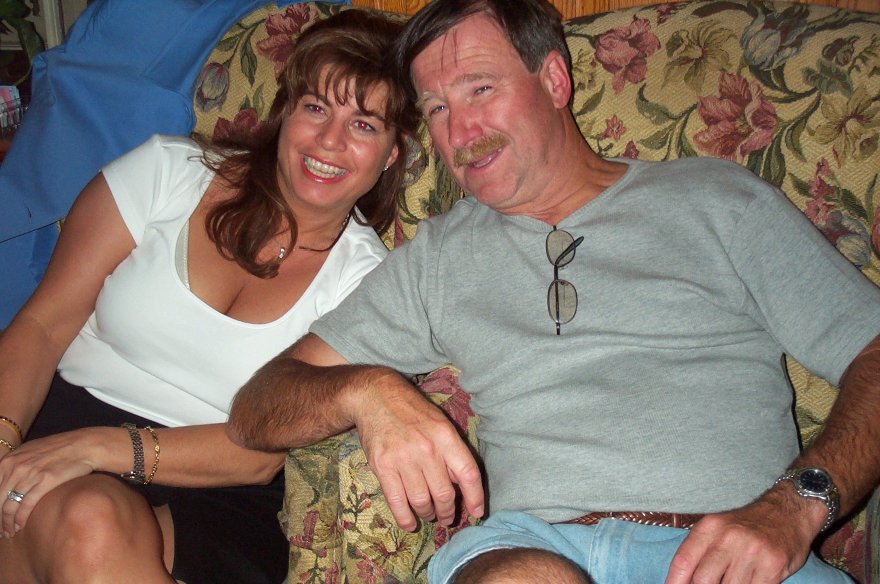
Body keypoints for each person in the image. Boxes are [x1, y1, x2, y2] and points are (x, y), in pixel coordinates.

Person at [226, 1, 880, 583]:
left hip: (732, 555)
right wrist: (364, 390)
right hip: (534, 547)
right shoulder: (440, 256)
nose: (460, 132)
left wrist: (797, 504)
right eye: (437, 109)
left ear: (555, 81)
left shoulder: (717, 201)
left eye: (480, 89)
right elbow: (256, 409)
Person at [0, 9, 421, 584]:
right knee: (87, 518)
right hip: (56, 428)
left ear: (392, 153)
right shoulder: (166, 173)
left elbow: (260, 454)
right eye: (316, 108)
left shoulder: (370, 285)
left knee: (91, 520)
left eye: (365, 125)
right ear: (286, 112)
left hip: (218, 490)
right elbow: (43, 324)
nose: (330, 140)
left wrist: (97, 449)